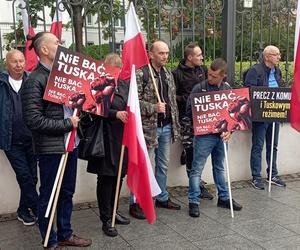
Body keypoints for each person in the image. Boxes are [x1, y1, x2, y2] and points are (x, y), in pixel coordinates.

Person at [21, 32, 92, 249]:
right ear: (44, 50)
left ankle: (65, 233)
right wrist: (66, 125)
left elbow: (75, 108)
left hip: (71, 144)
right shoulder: (35, 80)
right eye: (57, 43)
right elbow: (33, 120)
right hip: (52, 149)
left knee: (66, 192)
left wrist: (88, 105)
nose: (61, 46)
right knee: (50, 194)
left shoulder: (65, 76)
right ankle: (50, 241)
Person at [129, 40, 181, 219]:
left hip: (166, 127)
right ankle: (136, 201)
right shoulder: (141, 74)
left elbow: (172, 101)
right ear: (150, 54)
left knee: (163, 165)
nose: (165, 56)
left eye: (166, 53)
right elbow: (133, 102)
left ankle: (161, 196)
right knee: (143, 166)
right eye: (161, 53)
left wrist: (175, 125)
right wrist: (153, 107)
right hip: (147, 129)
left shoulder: (168, 73)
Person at [186, 58, 243, 217]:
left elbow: (234, 113)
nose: (210, 78)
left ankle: (224, 198)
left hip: (221, 136)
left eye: (214, 76)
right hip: (204, 136)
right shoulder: (199, 88)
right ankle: (193, 201)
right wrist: (202, 119)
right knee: (197, 168)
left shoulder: (227, 88)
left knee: (219, 167)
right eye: (209, 74)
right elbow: (189, 111)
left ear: (223, 76)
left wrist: (230, 131)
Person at [86, 53, 130, 237]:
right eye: (108, 69)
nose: (112, 73)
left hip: (122, 139)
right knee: (105, 179)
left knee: (118, 177)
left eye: (115, 70)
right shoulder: (97, 85)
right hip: (104, 139)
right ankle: (106, 219)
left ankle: (113, 211)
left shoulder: (125, 86)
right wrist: (115, 114)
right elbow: (92, 108)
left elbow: (131, 105)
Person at [0, 49, 38, 226]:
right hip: (11, 140)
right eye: (14, 61)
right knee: (24, 176)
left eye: (21, 61)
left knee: (32, 177)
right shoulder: (1, 83)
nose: (19, 65)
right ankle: (39, 210)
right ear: (7, 63)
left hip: (32, 138)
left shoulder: (32, 80)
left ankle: (23, 211)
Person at [172, 42, 213, 200]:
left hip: (204, 118)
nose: (202, 57)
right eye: (199, 55)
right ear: (190, 57)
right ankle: (195, 186)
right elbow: (171, 97)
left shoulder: (203, 70)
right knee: (191, 152)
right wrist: (190, 99)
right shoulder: (176, 74)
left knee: (201, 152)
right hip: (187, 120)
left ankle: (199, 183)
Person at [244, 45, 286, 190]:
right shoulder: (255, 71)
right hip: (261, 116)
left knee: (273, 146)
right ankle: (256, 177)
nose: (279, 57)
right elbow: (249, 92)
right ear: (267, 56)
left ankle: (272, 174)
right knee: (258, 145)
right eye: (276, 55)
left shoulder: (277, 71)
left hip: (275, 114)